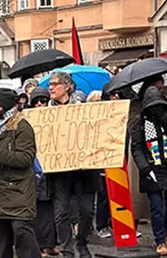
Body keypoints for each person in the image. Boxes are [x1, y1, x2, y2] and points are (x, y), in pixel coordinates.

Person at [0, 88, 42, 258]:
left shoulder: (22, 126)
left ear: (1, 105)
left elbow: (26, 158)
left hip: (18, 192)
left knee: (23, 237)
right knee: (0, 241)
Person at [47, 71, 99, 258]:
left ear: (67, 86)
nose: (51, 88)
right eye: (50, 85)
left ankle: (81, 242)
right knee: (61, 213)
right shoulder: (45, 113)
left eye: (55, 84)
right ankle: (67, 250)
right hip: (59, 172)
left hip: (84, 171)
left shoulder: (83, 109)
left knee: (87, 211)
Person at [130, 86, 167, 256]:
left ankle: (166, 231)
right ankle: (160, 239)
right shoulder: (139, 123)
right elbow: (137, 147)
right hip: (152, 166)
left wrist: (163, 118)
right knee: (156, 206)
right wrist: (144, 168)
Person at [28, 87, 57, 257]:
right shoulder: (26, 119)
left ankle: (50, 243)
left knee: (50, 210)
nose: (39, 104)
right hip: (34, 171)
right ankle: (39, 245)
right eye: (36, 102)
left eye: (43, 101)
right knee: (37, 211)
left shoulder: (55, 117)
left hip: (52, 171)